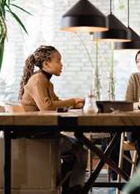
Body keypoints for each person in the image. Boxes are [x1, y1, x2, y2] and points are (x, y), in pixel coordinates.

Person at [18, 45, 86, 193]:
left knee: (78, 146)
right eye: (59, 61)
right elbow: (47, 107)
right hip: (34, 135)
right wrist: (72, 101)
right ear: (46, 64)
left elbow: (56, 104)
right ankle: (71, 189)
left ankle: (70, 188)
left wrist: (76, 105)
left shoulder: (47, 81)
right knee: (77, 148)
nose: (62, 65)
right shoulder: (38, 80)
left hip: (43, 132)